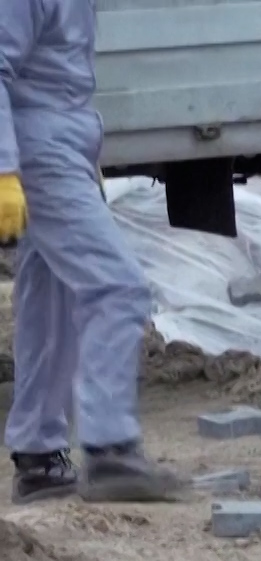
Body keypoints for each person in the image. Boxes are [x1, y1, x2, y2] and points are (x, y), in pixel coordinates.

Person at [2, 0, 180, 505]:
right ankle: (111, 451)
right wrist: (3, 169)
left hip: (59, 146)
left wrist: (83, 156)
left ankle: (38, 458)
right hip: (39, 151)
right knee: (117, 287)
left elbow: (54, 78)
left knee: (52, 299)